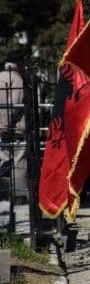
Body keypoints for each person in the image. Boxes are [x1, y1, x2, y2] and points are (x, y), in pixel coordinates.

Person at [0, 55, 26, 202]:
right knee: (19, 161)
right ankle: (19, 195)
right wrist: (6, 124)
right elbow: (15, 105)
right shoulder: (16, 79)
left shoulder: (0, 76)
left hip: (1, 128)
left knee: (4, 159)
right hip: (16, 128)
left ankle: (4, 194)